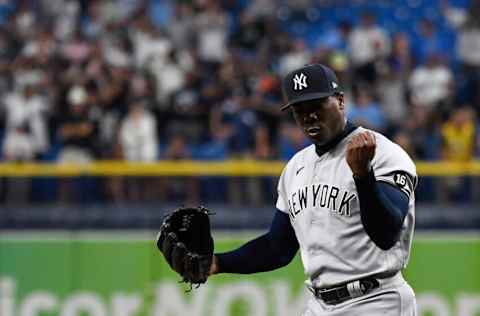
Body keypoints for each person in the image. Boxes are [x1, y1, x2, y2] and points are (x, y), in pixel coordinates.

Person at [208, 64, 418, 315]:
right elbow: (278, 247)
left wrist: (363, 176)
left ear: (340, 101)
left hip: (376, 300)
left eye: (317, 105)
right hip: (318, 305)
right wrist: (217, 262)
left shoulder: (383, 153)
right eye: (299, 110)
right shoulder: (296, 167)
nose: (309, 117)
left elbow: (387, 234)